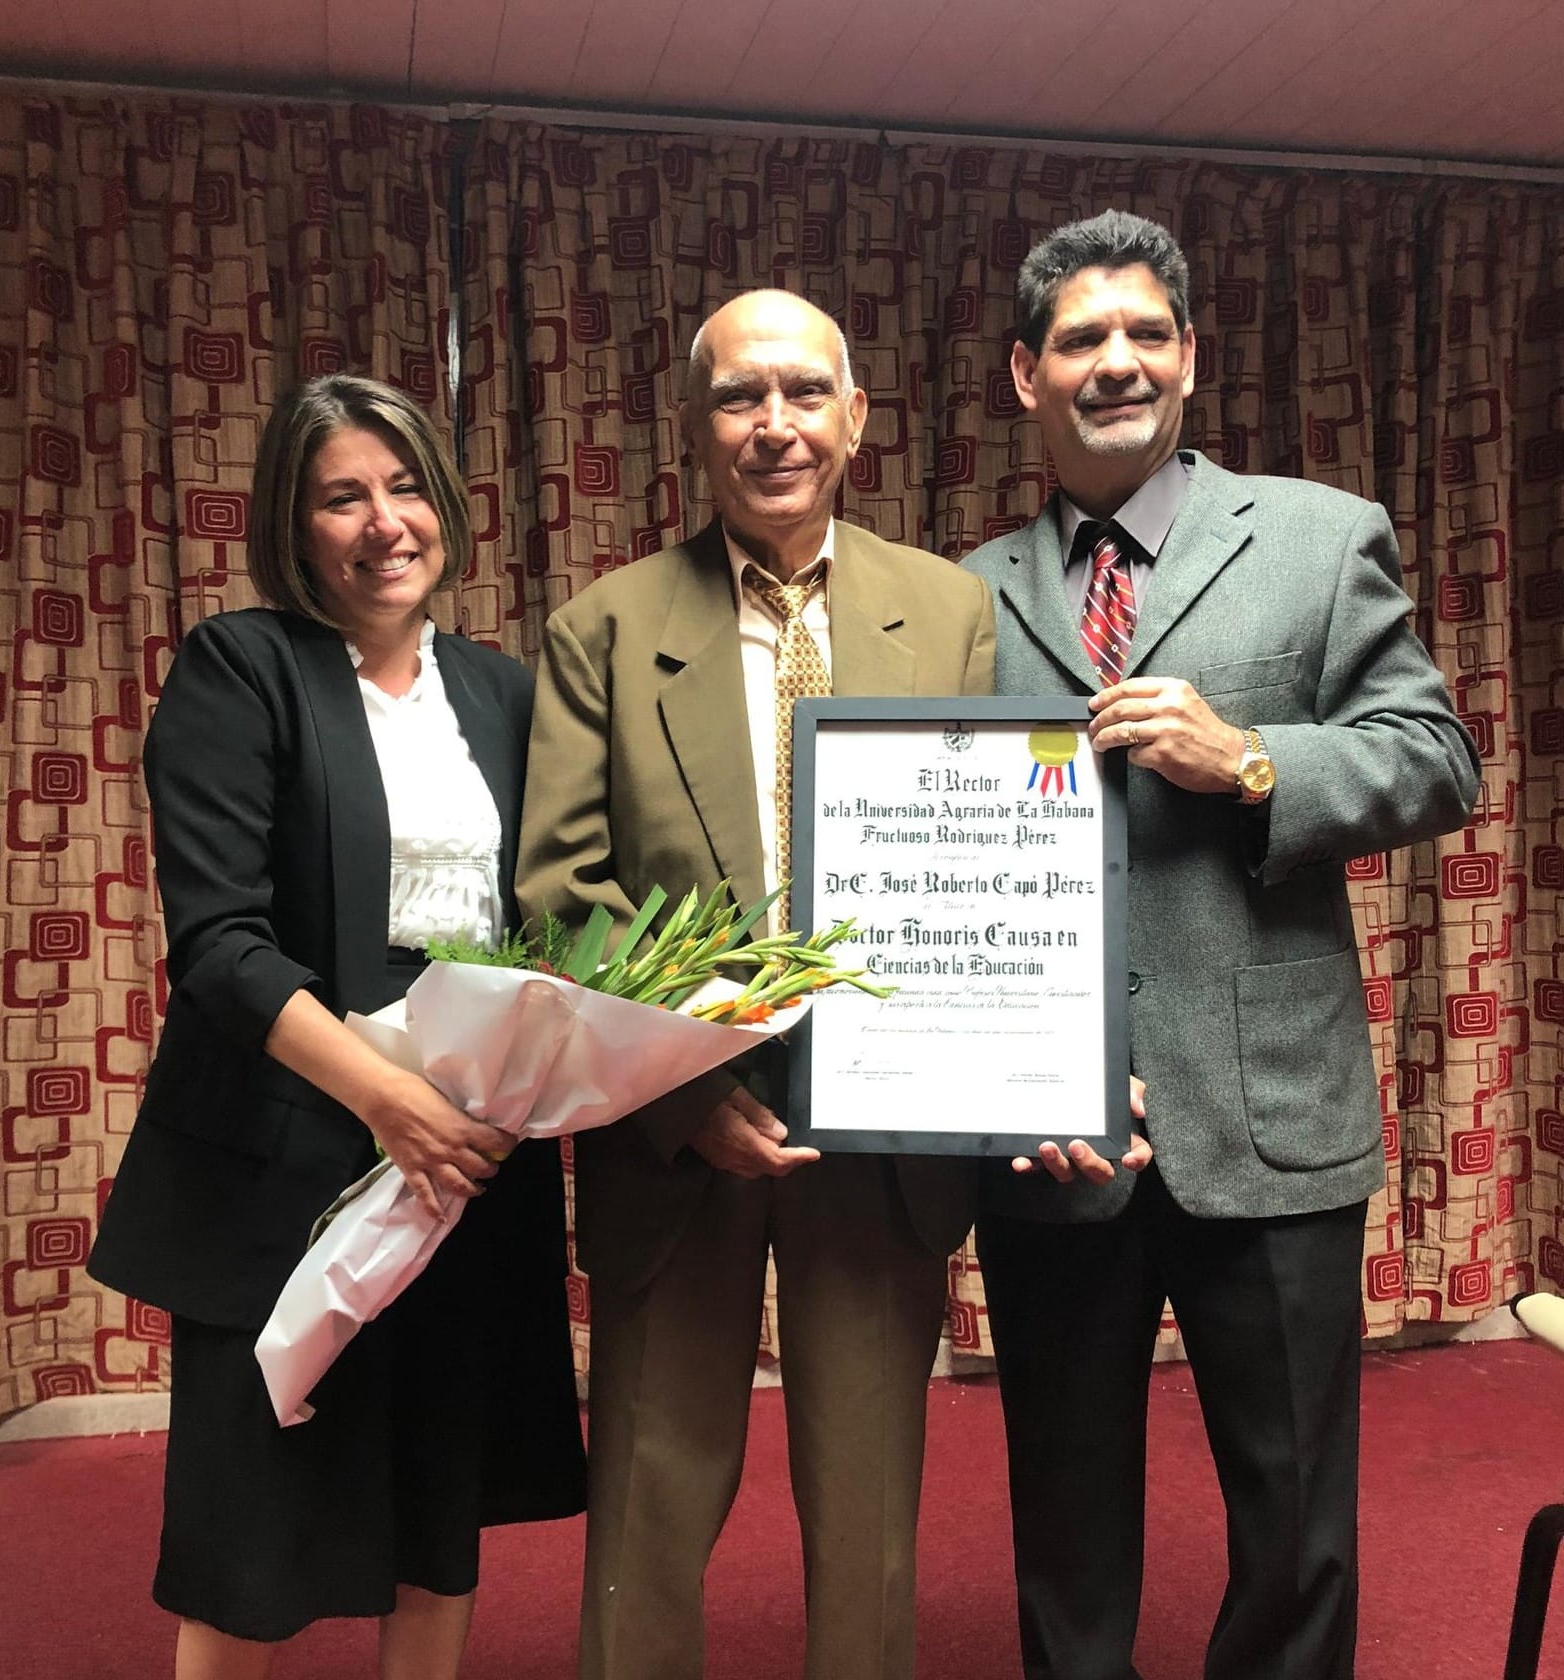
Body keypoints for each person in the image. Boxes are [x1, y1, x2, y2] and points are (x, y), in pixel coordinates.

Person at [516, 288, 1138, 1680]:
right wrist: (686, 1092)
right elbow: (561, 897)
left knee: (868, 1516)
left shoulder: (948, 609)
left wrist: (1035, 1055)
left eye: (806, 393)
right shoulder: (603, 631)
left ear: (857, 419)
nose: (775, 425)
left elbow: (987, 859)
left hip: (887, 1132)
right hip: (674, 1134)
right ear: (694, 428)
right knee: (651, 1504)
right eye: (741, 397)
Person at [960, 210, 1482, 1680]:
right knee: (1062, 1525)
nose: (1113, 362)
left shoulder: (1320, 539)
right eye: (1078, 339)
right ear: (1025, 374)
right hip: (1054, 1136)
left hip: (1275, 1117)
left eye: (1144, 333)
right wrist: (1005, 1073)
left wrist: (1252, 758)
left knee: (1297, 1519)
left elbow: (1436, 758)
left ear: (1191, 356)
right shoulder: (959, 593)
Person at [87, 375, 585, 1680]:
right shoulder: (242, 667)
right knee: (253, 1550)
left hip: (464, 1167)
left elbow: (546, 922)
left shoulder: (503, 693)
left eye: (406, 485)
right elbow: (220, 948)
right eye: (342, 496)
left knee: (437, 1522)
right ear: (292, 524)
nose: (384, 522)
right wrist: (387, 1100)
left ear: (448, 505)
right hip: (294, 1163)